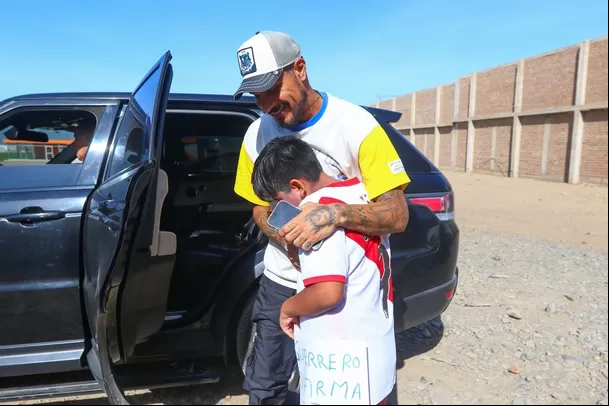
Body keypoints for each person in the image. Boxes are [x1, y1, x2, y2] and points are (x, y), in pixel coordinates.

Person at [232, 30, 410, 405]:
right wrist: (287, 237)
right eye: (255, 94)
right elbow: (258, 207)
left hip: (348, 294)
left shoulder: (357, 126)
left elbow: (397, 213)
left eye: (270, 88)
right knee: (264, 388)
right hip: (281, 281)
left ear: (299, 68)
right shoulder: (255, 134)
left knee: (353, 390)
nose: (265, 105)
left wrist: (333, 214)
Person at [251, 135, 396, 405]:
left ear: (297, 187)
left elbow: (328, 292)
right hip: (374, 352)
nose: (278, 208)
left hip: (341, 368)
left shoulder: (313, 217)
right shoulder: (359, 194)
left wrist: (288, 309)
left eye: (278, 200)